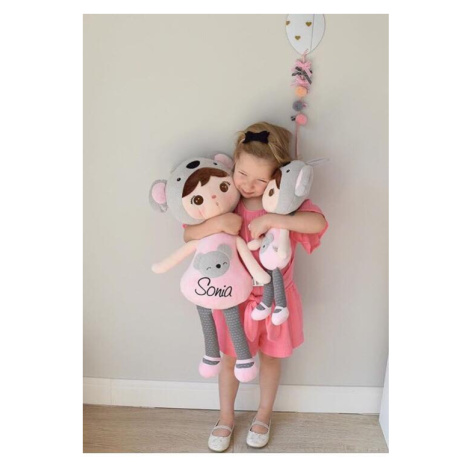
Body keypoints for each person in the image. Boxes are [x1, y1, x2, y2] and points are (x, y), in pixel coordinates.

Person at [183, 122, 328, 452]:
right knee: (229, 360)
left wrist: (274, 220)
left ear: (277, 176)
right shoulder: (226, 201)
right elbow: (188, 234)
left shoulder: (284, 204)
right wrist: (218, 223)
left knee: (271, 360)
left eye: (260, 180)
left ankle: (264, 415)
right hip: (232, 303)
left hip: (276, 304)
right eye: (242, 174)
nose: (249, 185)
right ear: (233, 163)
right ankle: (225, 417)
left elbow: (318, 223)